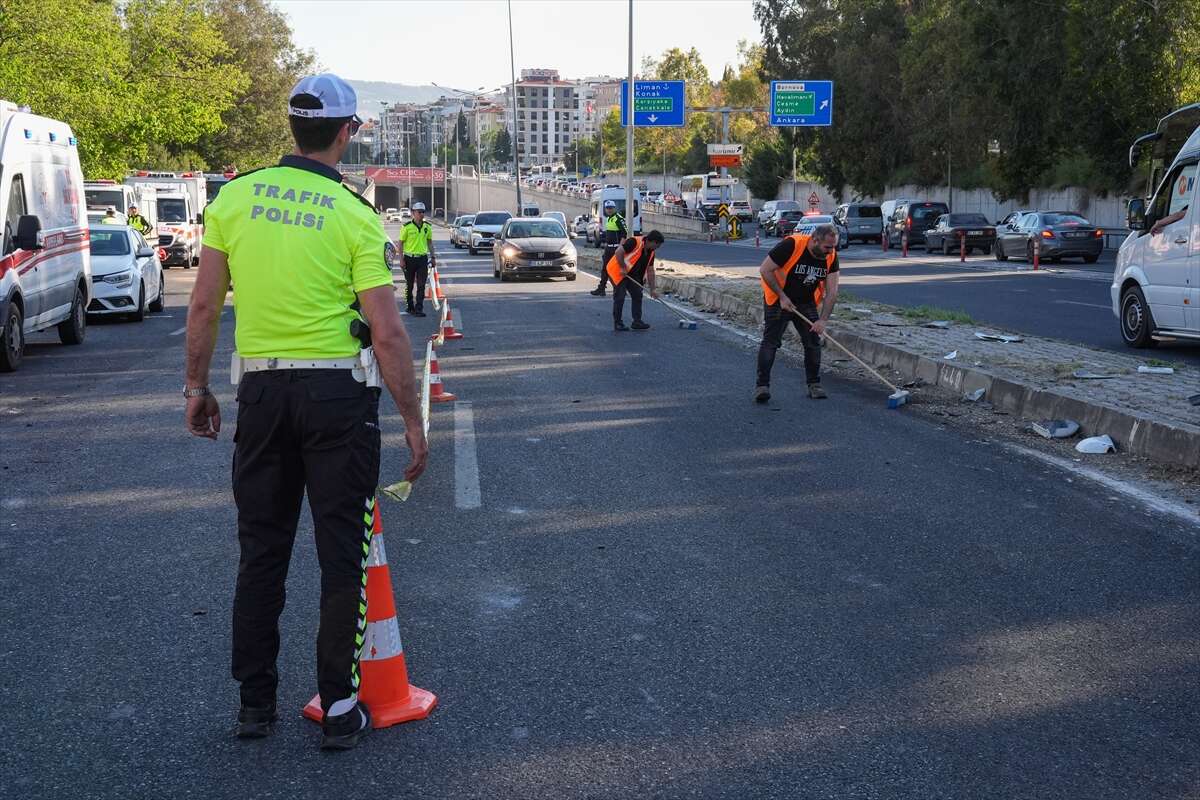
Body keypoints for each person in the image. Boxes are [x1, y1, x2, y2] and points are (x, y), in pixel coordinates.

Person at [183, 72, 428, 751]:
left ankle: (254, 705)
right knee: (340, 556)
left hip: (260, 393)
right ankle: (341, 707)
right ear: (348, 132)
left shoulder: (234, 199)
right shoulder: (353, 215)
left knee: (261, 551)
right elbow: (387, 332)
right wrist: (412, 419)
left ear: (292, 127)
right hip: (337, 399)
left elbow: (203, 305)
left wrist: (195, 388)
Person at [754, 223, 841, 403]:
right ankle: (762, 386)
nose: (830, 251)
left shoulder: (831, 256)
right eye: (827, 247)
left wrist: (823, 321)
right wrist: (782, 297)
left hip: (805, 301)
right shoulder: (792, 245)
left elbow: (832, 292)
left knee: (812, 342)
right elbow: (765, 269)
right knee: (771, 342)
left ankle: (814, 384)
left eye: (833, 248)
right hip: (779, 299)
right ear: (814, 240)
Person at [606, 229, 664, 331]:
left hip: (631, 274)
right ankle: (618, 323)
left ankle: (637, 321)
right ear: (652, 241)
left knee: (637, 294)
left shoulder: (651, 253)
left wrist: (652, 289)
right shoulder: (634, 242)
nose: (658, 248)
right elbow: (618, 251)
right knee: (620, 296)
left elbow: (650, 271)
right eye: (658, 245)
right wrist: (623, 267)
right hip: (618, 271)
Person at [399, 201, 435, 317]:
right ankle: (410, 306)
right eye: (419, 212)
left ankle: (419, 308)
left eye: (423, 212)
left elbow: (430, 243)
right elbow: (400, 244)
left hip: (422, 259)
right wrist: (401, 259)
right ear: (413, 213)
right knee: (409, 285)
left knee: (421, 285)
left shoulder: (427, 227)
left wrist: (433, 257)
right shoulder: (407, 227)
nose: (421, 214)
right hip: (409, 259)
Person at [589, 200, 625, 297]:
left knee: (615, 269)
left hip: (616, 249)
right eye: (607, 208)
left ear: (614, 208)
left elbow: (624, 234)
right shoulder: (609, 218)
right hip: (608, 248)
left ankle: (620, 289)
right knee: (605, 269)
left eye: (611, 208)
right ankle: (602, 288)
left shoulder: (618, 218)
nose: (609, 210)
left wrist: (620, 248)